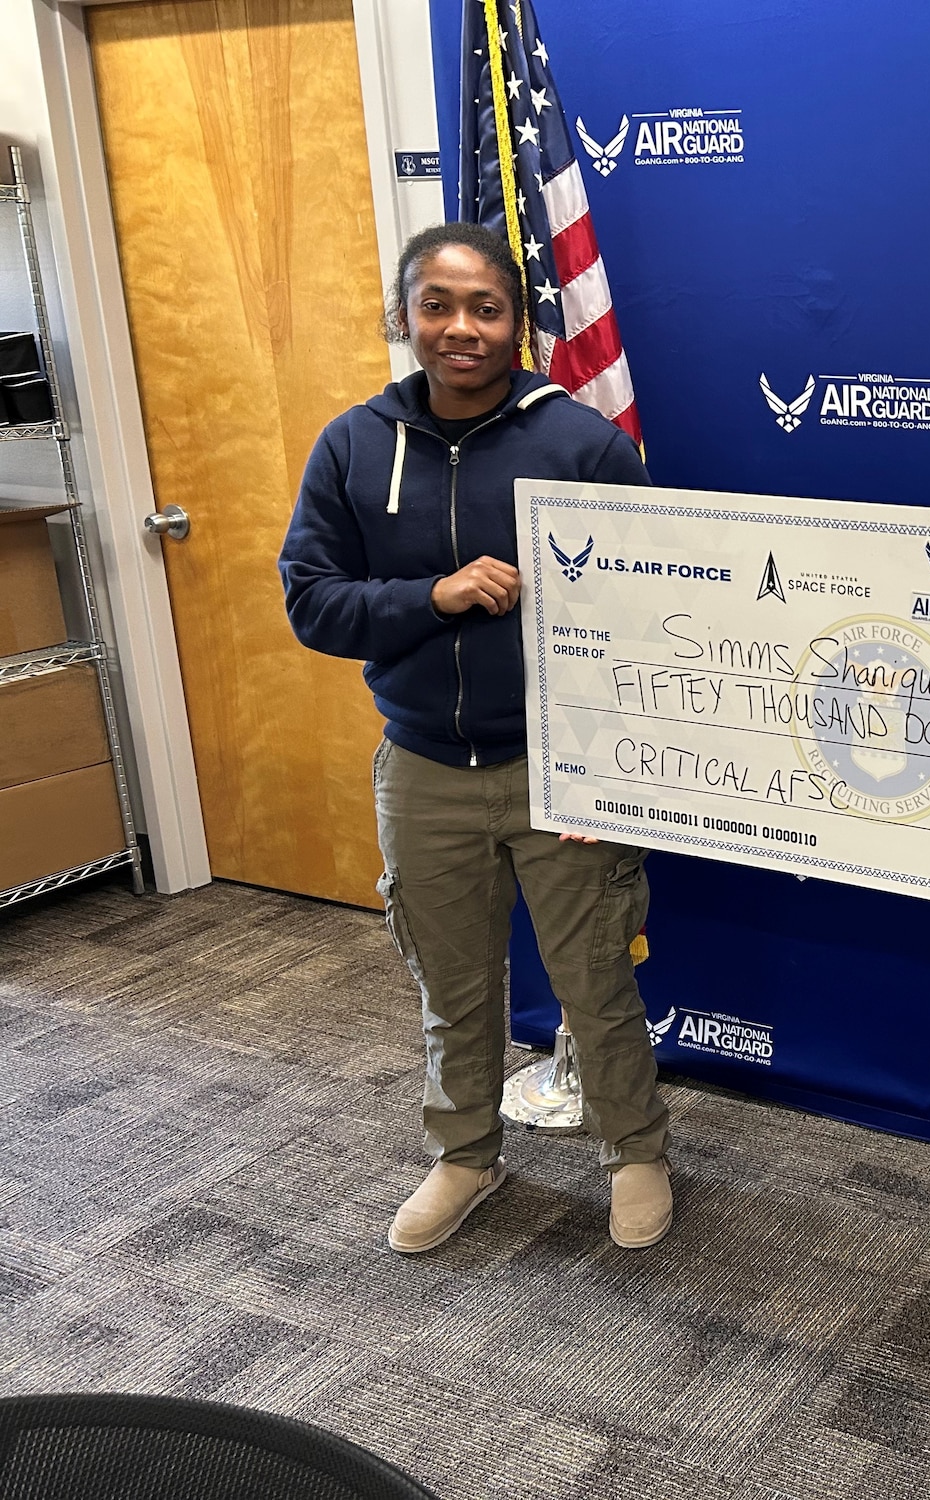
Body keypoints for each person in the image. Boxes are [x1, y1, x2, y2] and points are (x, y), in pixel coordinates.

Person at [278, 223, 674, 1255]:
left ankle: (635, 1152)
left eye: (485, 308)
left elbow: (658, 615)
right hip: (421, 767)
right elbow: (311, 604)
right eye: (437, 305)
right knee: (451, 986)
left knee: (594, 977)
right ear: (402, 316)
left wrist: (615, 773)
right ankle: (464, 1156)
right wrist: (434, 597)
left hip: (560, 768)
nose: (461, 327)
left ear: (519, 323)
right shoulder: (354, 444)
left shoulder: (580, 444)